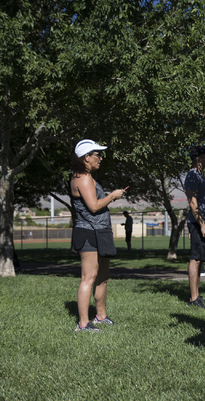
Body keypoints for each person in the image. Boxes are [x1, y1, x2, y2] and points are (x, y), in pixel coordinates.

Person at [70, 139, 126, 332]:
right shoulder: (83, 178)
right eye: (97, 154)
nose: (100, 158)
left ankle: (101, 316)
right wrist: (112, 196)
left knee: (103, 277)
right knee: (89, 276)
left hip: (100, 231)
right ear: (86, 157)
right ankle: (83, 324)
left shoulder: (87, 176)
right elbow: (94, 206)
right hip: (88, 233)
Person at [184, 145, 205, 308]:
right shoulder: (192, 175)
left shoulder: (201, 176)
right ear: (198, 159)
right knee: (195, 259)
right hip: (198, 222)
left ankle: (197, 295)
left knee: (201, 259)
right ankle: (193, 298)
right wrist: (202, 225)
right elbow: (192, 201)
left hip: (204, 221)